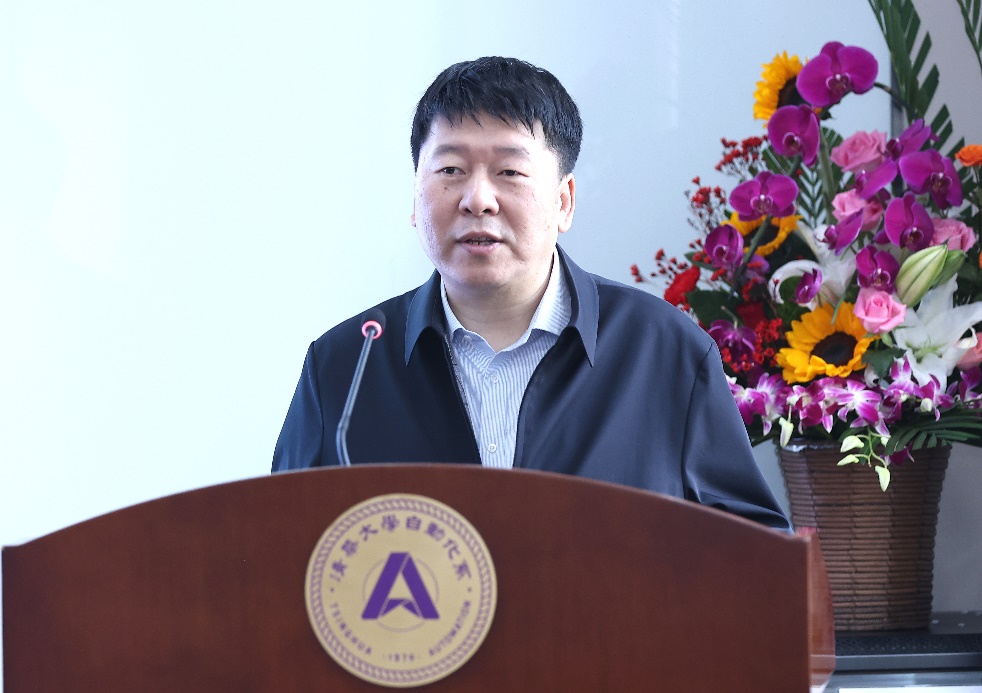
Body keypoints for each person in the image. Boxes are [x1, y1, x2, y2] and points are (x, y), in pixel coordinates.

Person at [272, 57, 791, 532]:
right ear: (415, 197)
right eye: (450, 170)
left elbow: (757, 557)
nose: (478, 199)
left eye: (510, 172)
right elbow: (278, 547)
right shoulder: (345, 365)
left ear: (564, 202)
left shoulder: (665, 351)